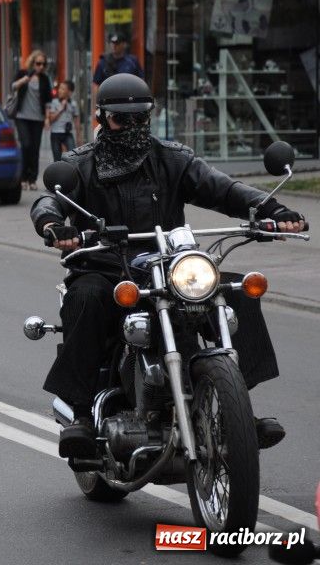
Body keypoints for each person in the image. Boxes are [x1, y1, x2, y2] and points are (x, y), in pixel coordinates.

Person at [29, 73, 307, 459]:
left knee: (236, 291)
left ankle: (237, 407)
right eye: (120, 119)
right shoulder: (80, 165)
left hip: (170, 267)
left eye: (139, 118)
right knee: (86, 297)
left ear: (150, 117)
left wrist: (272, 209)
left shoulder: (172, 159)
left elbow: (222, 188)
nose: (130, 127)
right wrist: (52, 224)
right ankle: (81, 414)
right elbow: (49, 200)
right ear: (101, 117)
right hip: (106, 266)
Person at [11, 50, 52, 191]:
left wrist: (47, 118)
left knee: (35, 149)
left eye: (43, 64)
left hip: (38, 118)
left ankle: (32, 179)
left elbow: (48, 100)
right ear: (32, 62)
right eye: (38, 63)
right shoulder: (23, 73)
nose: (41, 66)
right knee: (26, 145)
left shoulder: (45, 79)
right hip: (22, 116)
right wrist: (25, 80)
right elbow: (13, 86)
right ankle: (22, 178)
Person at [45, 79, 81, 162]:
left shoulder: (73, 104)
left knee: (73, 156)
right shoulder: (54, 102)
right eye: (60, 88)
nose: (60, 91)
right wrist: (61, 108)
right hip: (55, 133)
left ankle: (70, 173)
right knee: (57, 159)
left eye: (63, 89)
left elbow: (77, 121)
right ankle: (58, 174)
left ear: (69, 92)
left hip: (67, 133)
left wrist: (79, 137)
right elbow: (51, 119)